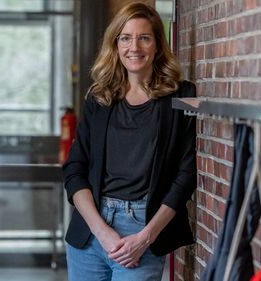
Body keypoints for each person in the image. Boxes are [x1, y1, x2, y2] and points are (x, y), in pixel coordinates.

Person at [62, 2, 196, 281]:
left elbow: (186, 176)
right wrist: (103, 232)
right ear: (116, 45)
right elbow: (74, 170)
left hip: (144, 232)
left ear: (158, 45)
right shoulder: (98, 99)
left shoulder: (182, 96)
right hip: (91, 232)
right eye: (125, 38)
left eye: (144, 37)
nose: (134, 47)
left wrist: (145, 238)